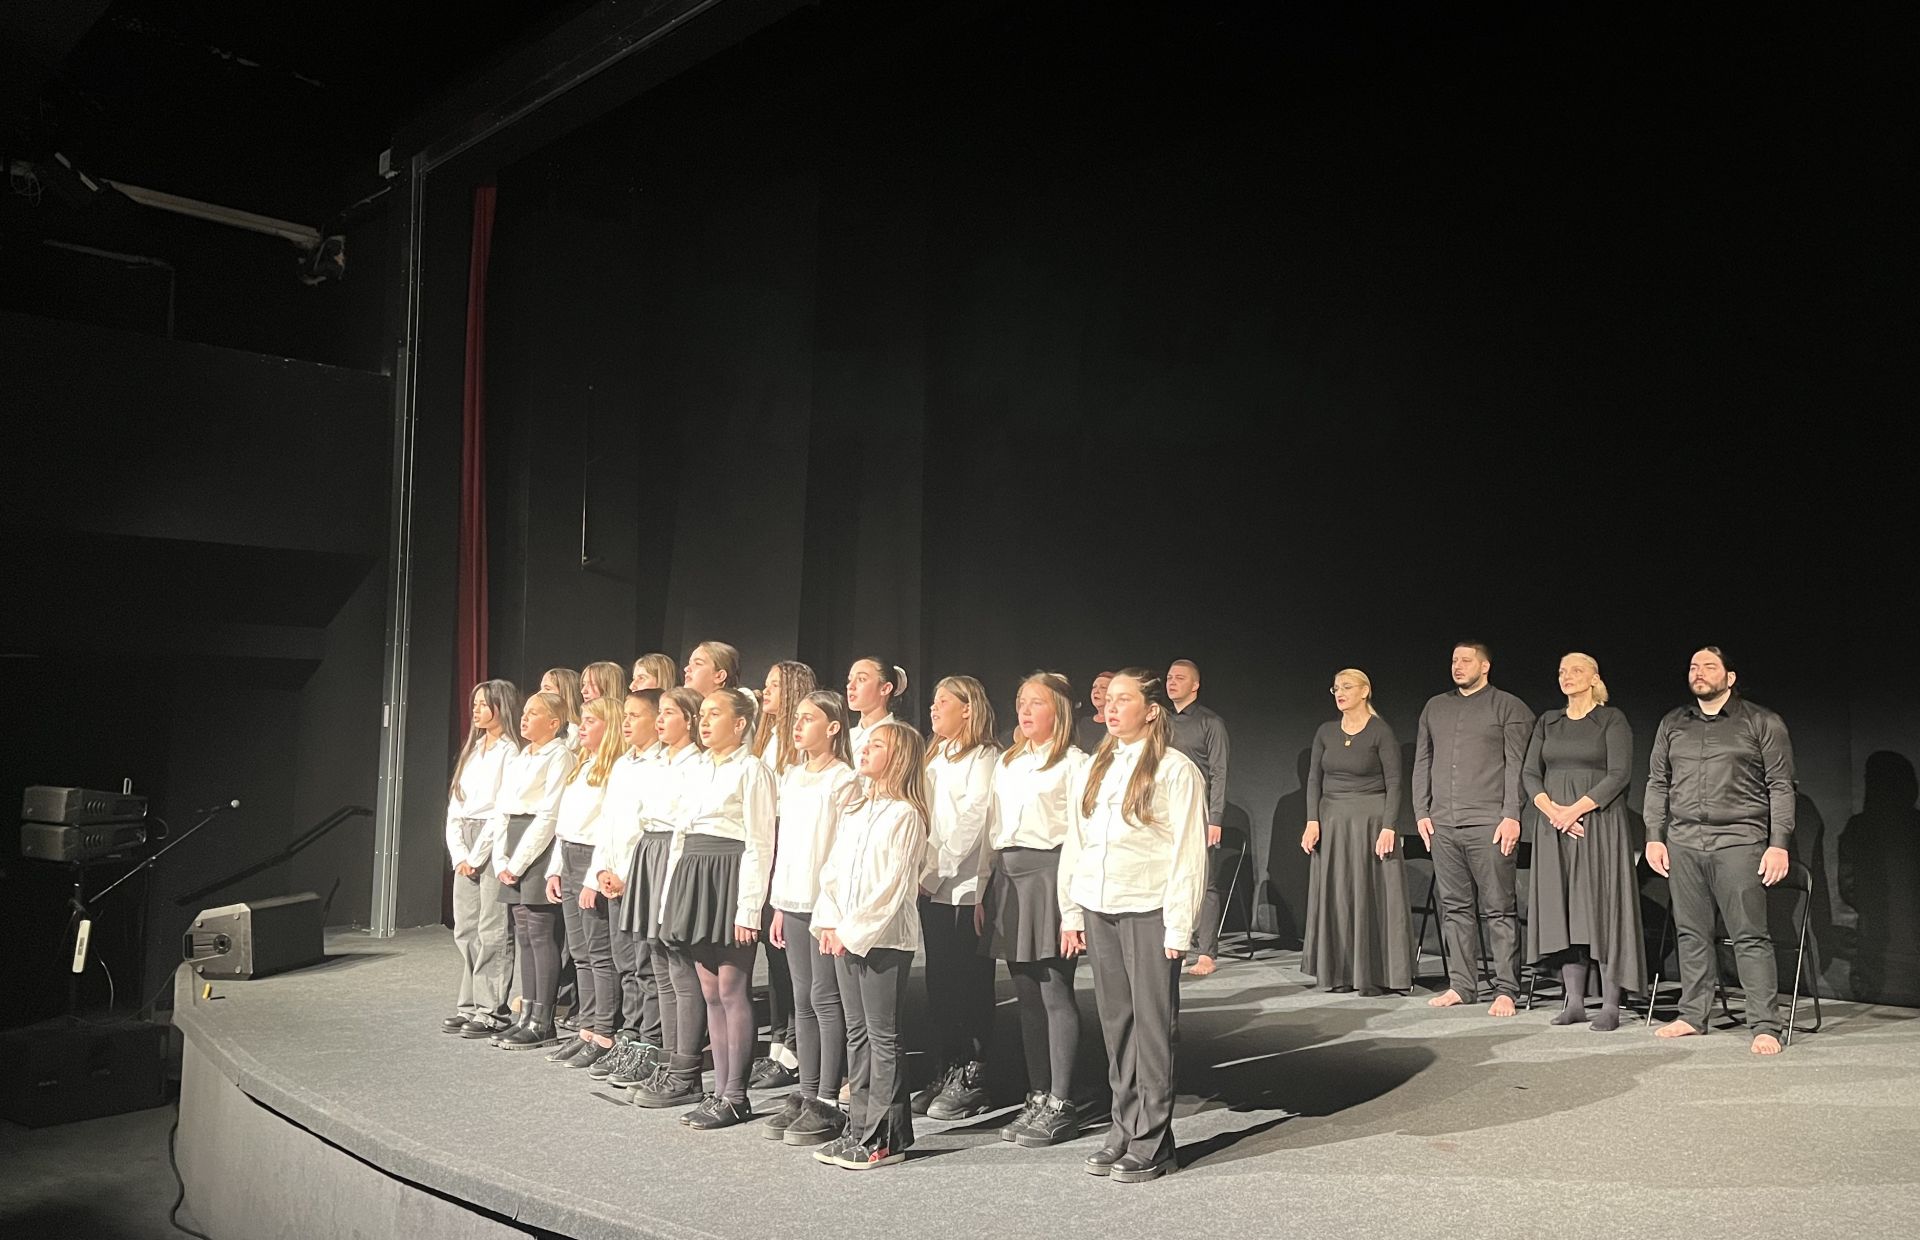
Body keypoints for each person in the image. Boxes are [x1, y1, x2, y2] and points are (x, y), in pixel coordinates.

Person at [1061, 669, 1207, 1184]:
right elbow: (1076, 841)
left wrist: (1179, 926)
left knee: (1152, 1027)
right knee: (1116, 1023)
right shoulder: (1095, 765)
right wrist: (1072, 910)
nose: (1112, 707)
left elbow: (1189, 852)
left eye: (1125, 699)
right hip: (1100, 906)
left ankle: (1153, 1140)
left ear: (1151, 709)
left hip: (1148, 909)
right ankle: (1123, 1126)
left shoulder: (1175, 769)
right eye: (1109, 699)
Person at [1645, 647, 1796, 1055]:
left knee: (1749, 935)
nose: (1699, 672)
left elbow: (1781, 785)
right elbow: (1657, 781)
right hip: (1684, 841)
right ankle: (1693, 1015)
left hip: (1739, 841)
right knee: (1691, 933)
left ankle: (1765, 1024)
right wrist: (1654, 835)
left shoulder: (1761, 721)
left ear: (1730, 677)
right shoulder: (1673, 723)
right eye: (1693, 666)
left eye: (1709, 666)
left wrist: (1778, 844)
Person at [644, 688, 775, 1127]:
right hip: (694, 876)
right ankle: (718, 1091)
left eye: (714, 714)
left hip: (730, 875)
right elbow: (679, 838)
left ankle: (736, 1095)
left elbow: (760, 843)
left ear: (739, 724)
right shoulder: (697, 768)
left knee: (733, 988)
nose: (704, 721)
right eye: (701, 713)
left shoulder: (753, 770)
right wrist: (670, 900)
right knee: (709, 990)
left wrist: (749, 908)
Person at [811, 720, 931, 1171]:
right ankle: (858, 1126)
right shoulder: (856, 810)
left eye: (876, 745)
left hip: (883, 940)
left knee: (883, 1037)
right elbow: (833, 870)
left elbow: (893, 887)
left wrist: (851, 931)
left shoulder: (906, 815)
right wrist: (829, 921)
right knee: (856, 1033)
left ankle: (887, 1136)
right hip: (845, 935)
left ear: (898, 758)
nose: (864, 750)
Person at [986, 671, 1089, 1148]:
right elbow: (994, 827)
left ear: (1059, 711)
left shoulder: (1074, 764)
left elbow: (1080, 838)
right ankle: (1039, 1093)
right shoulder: (1009, 761)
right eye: (1021, 701)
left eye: (1036, 703)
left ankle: (1063, 1102)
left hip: (1051, 876)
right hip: (1010, 878)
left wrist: (1073, 911)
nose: (1025, 710)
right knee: (1025, 992)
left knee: (1053, 989)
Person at [1413, 641, 1536, 1017]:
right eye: (1454, 660)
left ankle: (1506, 989)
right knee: (1454, 908)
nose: (1458, 666)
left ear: (1485, 666)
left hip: (1490, 823)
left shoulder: (1509, 706)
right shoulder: (1435, 706)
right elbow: (1423, 761)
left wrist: (1512, 814)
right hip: (1443, 823)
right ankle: (1462, 985)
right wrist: (1421, 811)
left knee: (1499, 908)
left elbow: (1517, 765)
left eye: (1466, 660)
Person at [1524, 653, 1643, 1031]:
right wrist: (1553, 812)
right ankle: (1574, 1001)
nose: (1567, 676)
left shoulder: (1611, 719)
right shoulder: (1548, 721)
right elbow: (1530, 774)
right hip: (1554, 827)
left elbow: (1619, 774)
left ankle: (1610, 1004)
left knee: (1601, 909)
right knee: (1563, 910)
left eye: (1576, 670)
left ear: (1594, 678)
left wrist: (1573, 811)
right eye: (1562, 671)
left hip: (1598, 824)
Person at [764, 690, 860, 1147]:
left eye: (809, 719)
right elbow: (786, 846)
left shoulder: (843, 780)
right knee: (801, 998)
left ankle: (828, 1097)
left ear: (833, 727)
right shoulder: (792, 775)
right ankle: (806, 1092)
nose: (798, 726)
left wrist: (833, 907)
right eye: (797, 718)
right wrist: (779, 905)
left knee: (825, 996)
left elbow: (842, 849)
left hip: (825, 903)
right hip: (794, 899)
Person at [916, 675, 1000, 1120]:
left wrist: (936, 872)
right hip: (931, 886)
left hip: (964, 887)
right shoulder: (935, 755)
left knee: (969, 983)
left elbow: (973, 821)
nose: (934, 708)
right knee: (939, 982)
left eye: (943, 701)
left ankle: (974, 1075)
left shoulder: (984, 758)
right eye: (933, 701)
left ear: (968, 709)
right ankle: (947, 1065)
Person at [1300, 668, 1413, 995]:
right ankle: (1338, 972)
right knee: (1337, 894)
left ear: (1365, 691)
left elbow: (1395, 783)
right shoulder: (1325, 731)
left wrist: (1389, 826)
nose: (1339, 692)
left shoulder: (1381, 732)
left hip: (1370, 821)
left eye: (1347, 687)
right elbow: (1314, 780)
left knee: (1368, 893)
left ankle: (1374, 974)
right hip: (1333, 821)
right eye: (1336, 688)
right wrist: (1312, 820)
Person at [615, 687, 705, 1097]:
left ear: (689, 720)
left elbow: (684, 822)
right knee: (659, 962)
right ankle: (667, 1062)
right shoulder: (657, 763)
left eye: (669, 713)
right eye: (661, 712)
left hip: (674, 852)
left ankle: (686, 1069)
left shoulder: (696, 764)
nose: (660, 719)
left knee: (679, 966)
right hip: (649, 850)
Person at [583, 690, 665, 1082]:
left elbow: (648, 832)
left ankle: (650, 1041)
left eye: (636, 715)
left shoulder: (661, 765)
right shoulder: (621, 764)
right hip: (614, 878)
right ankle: (629, 1035)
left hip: (641, 880)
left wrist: (629, 876)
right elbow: (609, 824)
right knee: (625, 963)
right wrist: (602, 870)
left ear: (656, 719)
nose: (627, 722)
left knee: (647, 965)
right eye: (625, 715)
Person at [486, 690, 573, 1049]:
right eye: (524, 712)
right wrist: (500, 859)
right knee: (522, 932)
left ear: (553, 722)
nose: (524, 718)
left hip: (538, 845)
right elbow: (502, 808)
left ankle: (543, 1020)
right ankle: (526, 1014)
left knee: (540, 932)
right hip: (512, 841)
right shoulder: (522, 756)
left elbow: (549, 814)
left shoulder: (560, 755)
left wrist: (519, 861)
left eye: (534, 713)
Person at [542, 697, 622, 1068]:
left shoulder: (614, 770)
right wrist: (555, 869)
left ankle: (604, 1031)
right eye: (583, 720)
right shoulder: (582, 764)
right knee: (580, 952)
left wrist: (592, 878)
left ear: (610, 725)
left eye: (591, 721)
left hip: (593, 861)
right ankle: (586, 1028)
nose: (583, 727)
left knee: (599, 951)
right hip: (570, 856)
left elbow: (607, 829)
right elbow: (566, 825)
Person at [750, 660, 818, 1091]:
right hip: (765, 842)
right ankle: (778, 1042)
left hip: (787, 846)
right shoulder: (766, 737)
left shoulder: (798, 747)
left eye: (774, 685)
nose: (765, 691)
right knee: (771, 951)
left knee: (790, 955)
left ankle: (794, 1045)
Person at [444, 679, 522, 1037]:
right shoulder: (474, 749)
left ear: (500, 707)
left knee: (493, 928)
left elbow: (501, 809)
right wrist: (459, 852)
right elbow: (456, 803)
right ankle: (470, 1004)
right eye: (474, 704)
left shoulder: (511, 752)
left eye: (482, 704)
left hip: (492, 842)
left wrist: (477, 856)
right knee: (466, 927)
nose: (475, 710)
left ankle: (492, 1010)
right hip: (466, 837)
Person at [1166, 659, 1232, 978]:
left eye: (1179, 678)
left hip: (1199, 812)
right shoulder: (1159, 721)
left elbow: (1219, 772)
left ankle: (1206, 953)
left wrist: (1215, 818)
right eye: (1169, 677)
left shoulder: (1210, 722)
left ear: (1195, 685)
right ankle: (1173, 946)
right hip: (1164, 812)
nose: (1171, 682)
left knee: (1206, 882)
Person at [847, 658, 908, 758]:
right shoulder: (847, 736)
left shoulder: (897, 738)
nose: (850, 686)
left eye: (861, 679)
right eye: (850, 679)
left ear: (885, 689)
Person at [542, 667, 584, 750]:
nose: (540, 693)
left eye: (547, 689)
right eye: (541, 688)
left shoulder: (573, 731)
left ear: (566, 693)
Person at [1075, 671, 1115, 753]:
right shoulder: (1083, 722)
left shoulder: (1118, 724)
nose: (1096, 691)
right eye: (1094, 687)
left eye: (1103, 687)